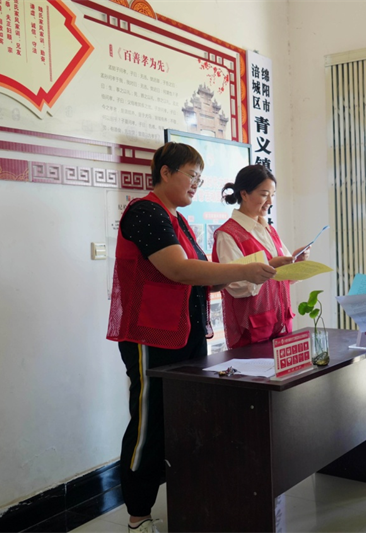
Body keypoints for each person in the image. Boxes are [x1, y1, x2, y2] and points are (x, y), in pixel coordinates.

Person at [106, 143, 276, 533]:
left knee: (183, 420)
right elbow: (179, 270)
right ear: (165, 173)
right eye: (191, 175)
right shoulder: (145, 212)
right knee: (149, 426)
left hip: (184, 334)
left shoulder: (177, 218)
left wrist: (262, 266)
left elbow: (205, 273)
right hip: (151, 336)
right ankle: (137, 518)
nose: (197, 183)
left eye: (200, 177)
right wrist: (244, 271)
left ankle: (184, 503)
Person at [213, 165, 310, 349]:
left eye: (272, 195)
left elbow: (284, 276)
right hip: (251, 330)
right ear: (244, 194)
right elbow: (236, 285)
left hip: (280, 324)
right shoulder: (228, 234)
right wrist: (270, 265)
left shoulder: (268, 229)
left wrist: (296, 262)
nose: (270, 201)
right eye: (265, 195)